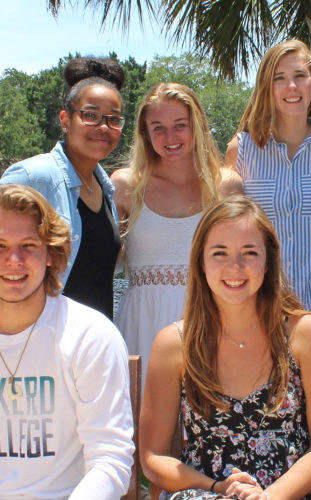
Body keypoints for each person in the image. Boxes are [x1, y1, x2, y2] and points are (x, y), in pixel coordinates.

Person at [140, 195, 311, 500]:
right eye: (219, 253)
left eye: (249, 252)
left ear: (268, 261)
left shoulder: (302, 333)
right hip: (206, 493)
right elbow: (153, 457)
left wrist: (269, 496)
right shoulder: (175, 344)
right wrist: (216, 488)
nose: (235, 267)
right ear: (201, 262)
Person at [225, 40, 311, 387]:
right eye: (280, 78)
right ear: (268, 86)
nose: (291, 87)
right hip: (261, 305)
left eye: (300, 75)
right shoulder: (243, 148)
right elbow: (225, 227)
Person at [0, 183, 134, 499]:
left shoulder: (90, 336)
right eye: (0, 246)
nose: (14, 259)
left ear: (51, 253)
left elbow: (109, 458)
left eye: (29, 245)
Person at [111, 82, 222, 383]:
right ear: (144, 132)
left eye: (180, 125)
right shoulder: (125, 186)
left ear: (196, 126)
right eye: (157, 127)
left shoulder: (224, 186)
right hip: (140, 322)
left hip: (207, 321)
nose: (170, 137)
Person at [0, 57, 124, 319]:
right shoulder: (34, 177)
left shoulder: (106, 190)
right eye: (90, 115)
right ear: (65, 120)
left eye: (113, 119)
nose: (103, 127)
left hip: (90, 344)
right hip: (39, 339)